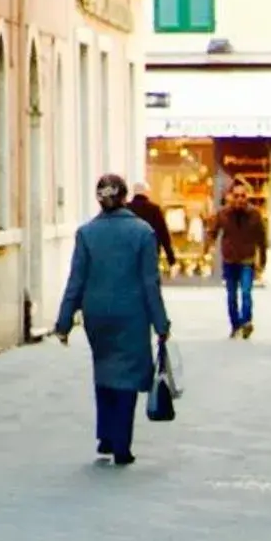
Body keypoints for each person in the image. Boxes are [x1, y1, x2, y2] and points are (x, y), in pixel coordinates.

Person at [54, 173, 171, 465]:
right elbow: (149, 282)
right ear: (124, 197)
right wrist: (161, 323)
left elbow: (76, 280)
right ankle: (122, 445)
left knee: (104, 369)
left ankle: (105, 435)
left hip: (97, 315)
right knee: (128, 377)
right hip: (132, 314)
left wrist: (64, 321)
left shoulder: (86, 233)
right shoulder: (143, 232)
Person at [209, 182, 268, 337]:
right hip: (229, 260)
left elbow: (262, 238)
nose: (240, 199)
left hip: (247, 260)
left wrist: (262, 258)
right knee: (231, 295)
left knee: (247, 292)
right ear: (230, 197)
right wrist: (209, 247)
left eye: (243, 196)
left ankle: (246, 321)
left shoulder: (254, 214)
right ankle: (235, 324)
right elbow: (213, 232)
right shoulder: (223, 214)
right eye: (236, 196)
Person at [126, 183, 176, 271]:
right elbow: (163, 233)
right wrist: (170, 257)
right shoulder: (154, 209)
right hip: (151, 250)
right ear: (146, 192)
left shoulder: (126, 208)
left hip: (130, 251)